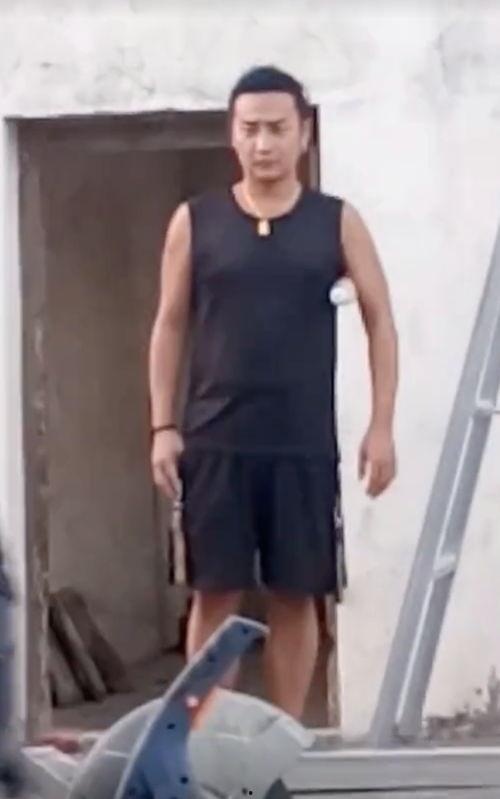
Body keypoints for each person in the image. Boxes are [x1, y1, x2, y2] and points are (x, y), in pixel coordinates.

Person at [149, 65, 398, 720]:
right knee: (215, 592)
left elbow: (381, 320)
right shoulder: (196, 221)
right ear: (232, 135)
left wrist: (381, 426)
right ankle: (202, 738)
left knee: (297, 593)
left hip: (301, 444)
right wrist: (162, 427)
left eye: (278, 129)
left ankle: (284, 739)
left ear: (304, 134)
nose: (264, 144)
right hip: (215, 441)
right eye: (251, 129)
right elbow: (169, 324)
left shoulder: (335, 222)